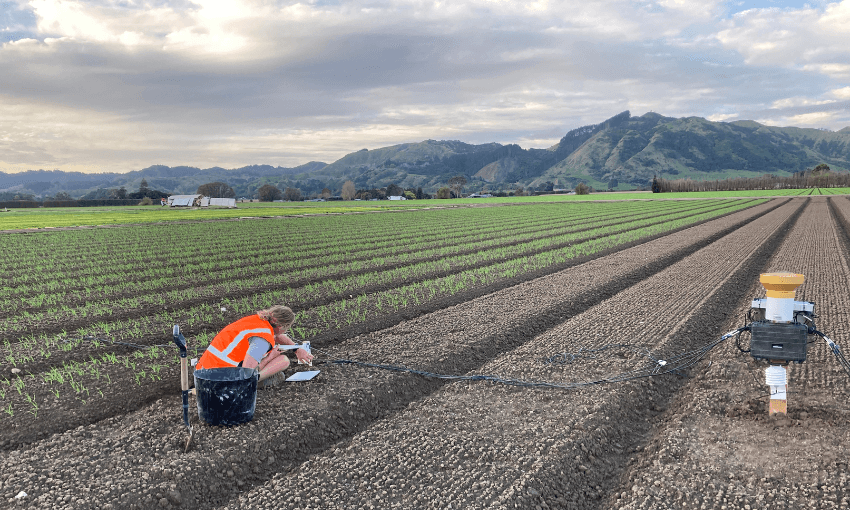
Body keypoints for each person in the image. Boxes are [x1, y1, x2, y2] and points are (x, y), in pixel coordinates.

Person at [195, 305, 313, 387]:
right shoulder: (262, 340)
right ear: (283, 326)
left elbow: (276, 335)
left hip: (202, 372)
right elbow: (246, 371)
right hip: (220, 380)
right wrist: (270, 357)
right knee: (283, 361)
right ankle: (253, 384)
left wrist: (297, 349)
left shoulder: (258, 321)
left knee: (277, 372)